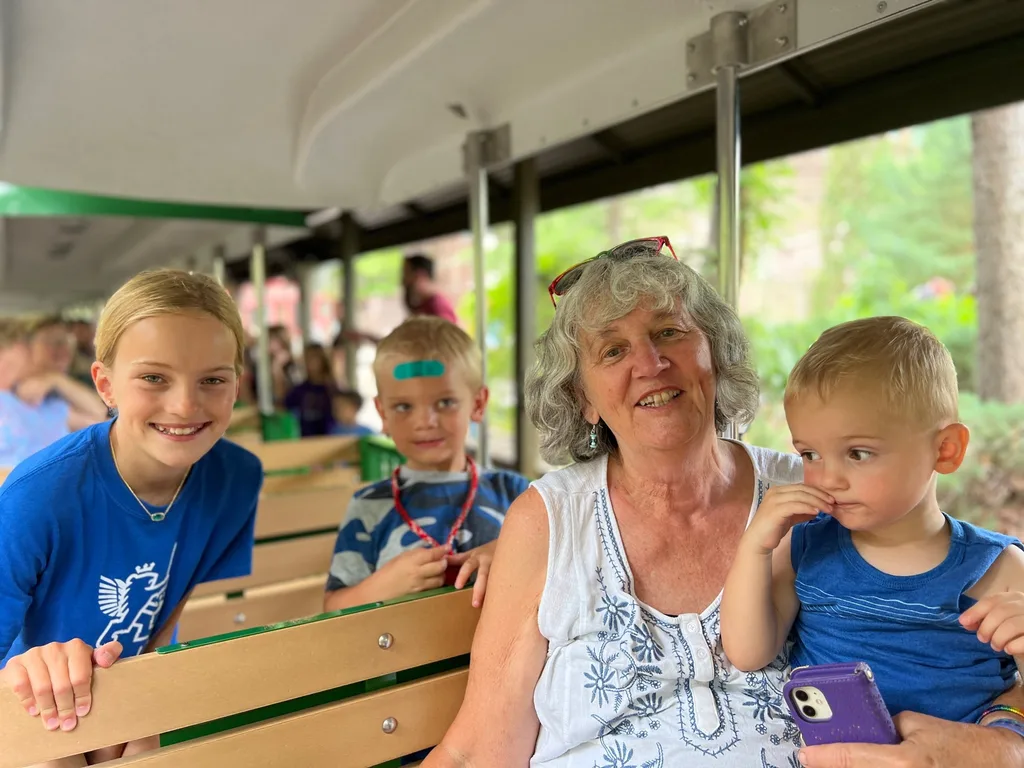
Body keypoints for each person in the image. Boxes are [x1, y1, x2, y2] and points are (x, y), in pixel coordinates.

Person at [423, 237, 1024, 768]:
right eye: (612, 351)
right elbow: (479, 749)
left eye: (669, 332)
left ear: (715, 352)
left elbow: (933, 559)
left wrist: (1006, 735)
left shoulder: (817, 491)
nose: (650, 364)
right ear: (582, 397)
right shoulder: (551, 522)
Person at [0, 269, 263, 765]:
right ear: (106, 384)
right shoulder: (37, 496)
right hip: (33, 706)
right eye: (153, 378)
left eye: (212, 379)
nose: (185, 405)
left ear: (235, 385)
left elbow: (170, 609)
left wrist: (139, 701)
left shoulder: (238, 478)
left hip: (138, 695)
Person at [720, 317, 1024, 725]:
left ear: (946, 450)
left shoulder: (998, 568)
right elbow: (747, 653)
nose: (828, 478)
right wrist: (756, 547)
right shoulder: (805, 547)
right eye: (810, 454)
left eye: (858, 453)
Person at [324, 316, 528, 613]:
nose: (424, 422)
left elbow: (566, 563)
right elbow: (332, 608)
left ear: (478, 404)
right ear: (382, 413)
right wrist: (384, 585)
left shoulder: (517, 494)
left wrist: (514, 554)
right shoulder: (369, 506)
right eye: (404, 407)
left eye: (445, 402)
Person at [0, 320, 108, 468]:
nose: (30, 356)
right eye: (25, 347)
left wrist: (57, 380)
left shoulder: (46, 404)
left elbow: (101, 418)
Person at [284, 344, 337, 436]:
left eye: (314, 359)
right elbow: (286, 409)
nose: (310, 363)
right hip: (304, 440)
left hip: (329, 438)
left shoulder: (332, 390)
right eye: (307, 359)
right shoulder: (298, 391)